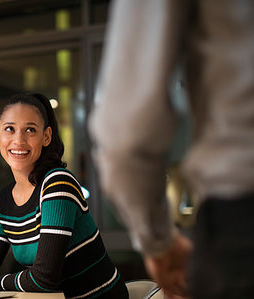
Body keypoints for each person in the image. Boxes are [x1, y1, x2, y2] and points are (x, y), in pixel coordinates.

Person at [88, 1, 254, 299]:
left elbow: (127, 135)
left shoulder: (56, 187)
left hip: (240, 224)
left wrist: (157, 240)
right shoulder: (3, 199)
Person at [0, 93, 129, 298]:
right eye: (9, 129)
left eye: (30, 130)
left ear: (46, 136)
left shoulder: (58, 184)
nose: (18, 140)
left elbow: (45, 279)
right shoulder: (1, 202)